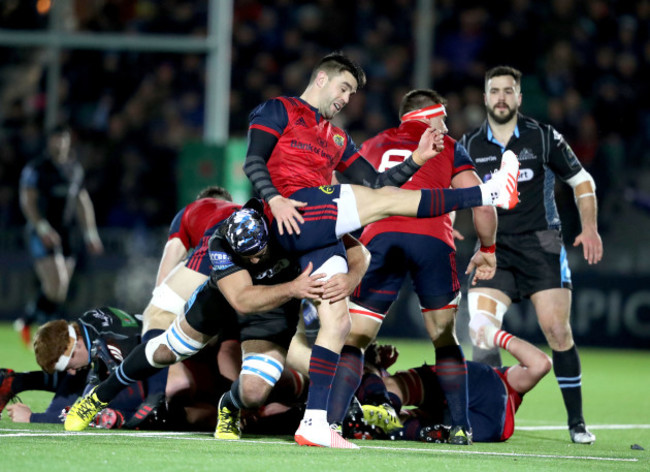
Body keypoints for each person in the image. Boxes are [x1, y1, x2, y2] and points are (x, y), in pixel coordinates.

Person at [242, 51, 520, 448]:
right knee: (386, 203)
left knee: (338, 323)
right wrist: (275, 199)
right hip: (291, 211)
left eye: (352, 94)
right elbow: (253, 161)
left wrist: (417, 159)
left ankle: (316, 423)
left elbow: (375, 182)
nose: (346, 99)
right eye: (344, 88)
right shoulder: (279, 109)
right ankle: (491, 190)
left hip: (319, 231)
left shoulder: (338, 137)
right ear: (321, 79)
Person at [62, 202, 360, 440]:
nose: (255, 260)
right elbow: (241, 299)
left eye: (259, 252)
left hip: (272, 311)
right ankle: (98, 397)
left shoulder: (292, 226)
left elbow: (360, 251)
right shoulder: (221, 241)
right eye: (248, 256)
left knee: (254, 393)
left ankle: (228, 406)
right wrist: (294, 288)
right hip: (225, 296)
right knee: (164, 350)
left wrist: (350, 278)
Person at [328, 89, 498, 445]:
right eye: (443, 118)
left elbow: (345, 191)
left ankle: (332, 423)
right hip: (432, 238)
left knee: (355, 336)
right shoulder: (448, 145)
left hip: (380, 238)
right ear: (428, 116)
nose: (446, 125)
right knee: (443, 336)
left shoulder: (373, 143)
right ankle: (461, 427)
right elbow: (483, 203)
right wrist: (488, 248)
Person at [459, 65, 603, 444]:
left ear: (519, 98)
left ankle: (576, 422)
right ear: (486, 97)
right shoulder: (470, 144)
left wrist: (589, 228)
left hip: (541, 244)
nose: (502, 97)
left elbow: (582, 180)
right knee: (480, 332)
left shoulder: (543, 138)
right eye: (495, 91)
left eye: (509, 91)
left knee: (557, 331)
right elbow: (449, 189)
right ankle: (486, 416)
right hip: (493, 249)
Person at [0, 306, 241, 431]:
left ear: (74, 347)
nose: (70, 372)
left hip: (194, 360)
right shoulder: (89, 330)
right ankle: (18, 381)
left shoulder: (111, 342)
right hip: (170, 358)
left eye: (67, 366)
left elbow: (178, 382)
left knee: (164, 405)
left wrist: (34, 418)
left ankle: (18, 381)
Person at [130, 185, 238, 426]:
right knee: (235, 336)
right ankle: (240, 407)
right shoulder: (242, 212)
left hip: (220, 250)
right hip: (260, 255)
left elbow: (166, 272)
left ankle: (156, 397)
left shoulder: (194, 210)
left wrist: (161, 303)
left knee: (158, 312)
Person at [349, 327, 552, 443]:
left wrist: (491, 333)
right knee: (410, 420)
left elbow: (541, 364)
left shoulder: (501, 380)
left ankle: (370, 416)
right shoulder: (510, 389)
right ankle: (392, 428)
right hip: (491, 429)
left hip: (479, 387)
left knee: (391, 388)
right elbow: (540, 364)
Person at [17, 125, 104, 345]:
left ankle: (26, 320)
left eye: (63, 138)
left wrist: (90, 233)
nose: (60, 143)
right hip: (42, 232)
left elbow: (82, 201)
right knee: (56, 283)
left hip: (67, 233)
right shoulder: (37, 168)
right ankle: (46, 332)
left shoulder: (74, 169)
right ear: (49, 142)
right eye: (56, 139)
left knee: (59, 290)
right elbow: (28, 201)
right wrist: (43, 228)